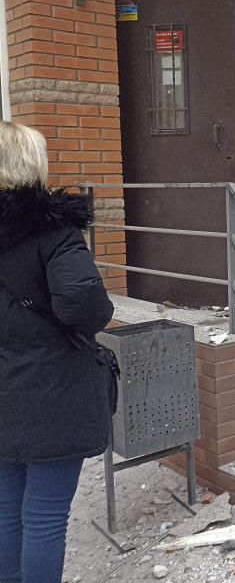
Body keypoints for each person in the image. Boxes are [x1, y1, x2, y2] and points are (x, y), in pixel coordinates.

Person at [0, 122, 115, 583]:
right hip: (52, 393)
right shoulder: (53, 232)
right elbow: (86, 307)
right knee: (46, 514)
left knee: (7, 507)